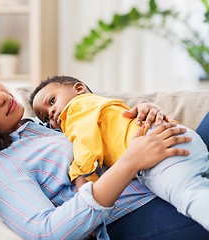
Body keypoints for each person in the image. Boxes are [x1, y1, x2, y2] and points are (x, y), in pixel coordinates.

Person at [0, 72, 209, 239]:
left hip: (167, 168)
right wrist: (131, 161)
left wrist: (140, 114)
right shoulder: (0, 167)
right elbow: (46, 231)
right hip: (137, 215)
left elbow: (99, 126)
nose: (0, 97)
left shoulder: (42, 124)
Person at [30, 75, 209, 231]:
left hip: (158, 148)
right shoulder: (99, 110)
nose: (52, 113)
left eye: (52, 101)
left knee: (189, 195)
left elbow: (86, 148)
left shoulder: (75, 110)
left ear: (79, 89)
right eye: (46, 118)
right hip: (177, 137)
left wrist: (82, 189)